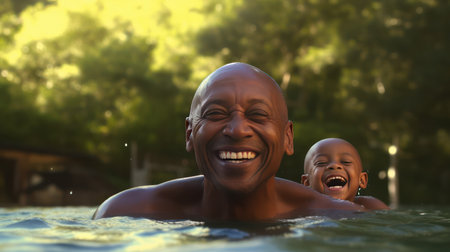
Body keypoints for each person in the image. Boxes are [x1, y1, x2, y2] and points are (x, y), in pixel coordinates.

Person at [93, 62, 365, 221]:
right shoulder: (126, 214)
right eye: (215, 114)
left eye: (258, 115)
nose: (236, 130)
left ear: (287, 137)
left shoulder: (335, 217)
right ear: (190, 133)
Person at [301, 138, 389, 210]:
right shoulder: (302, 211)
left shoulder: (370, 206)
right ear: (306, 183)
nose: (334, 165)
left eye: (346, 162)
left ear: (362, 180)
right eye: (321, 163)